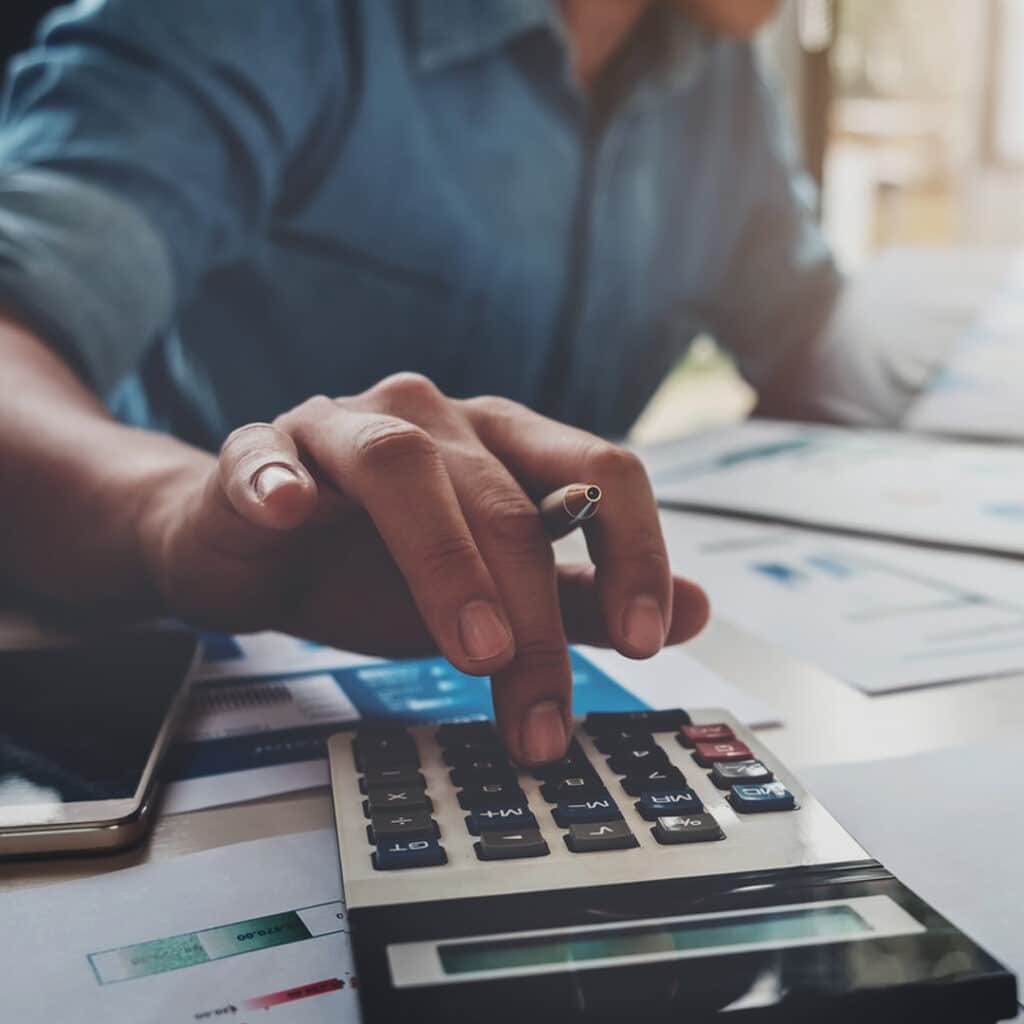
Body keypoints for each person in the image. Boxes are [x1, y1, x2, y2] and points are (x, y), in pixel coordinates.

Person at [0, 0, 896, 764]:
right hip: (167, 689)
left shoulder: (721, 75)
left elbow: (808, 338)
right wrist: (169, 516)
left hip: (503, 696)